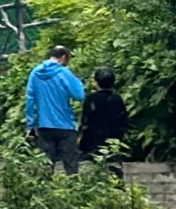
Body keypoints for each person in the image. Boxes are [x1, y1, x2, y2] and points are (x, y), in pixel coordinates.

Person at [24, 43, 86, 174]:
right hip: (65, 125)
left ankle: (46, 192)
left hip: (44, 126)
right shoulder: (64, 73)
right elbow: (79, 95)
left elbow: (30, 100)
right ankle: (72, 191)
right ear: (63, 57)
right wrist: (77, 80)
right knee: (71, 165)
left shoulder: (35, 72)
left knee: (46, 166)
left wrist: (30, 125)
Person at [80, 67, 130, 165]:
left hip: (93, 139)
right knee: (113, 162)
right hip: (113, 138)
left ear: (97, 82)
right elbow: (123, 118)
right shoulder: (117, 99)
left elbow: (86, 119)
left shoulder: (91, 98)